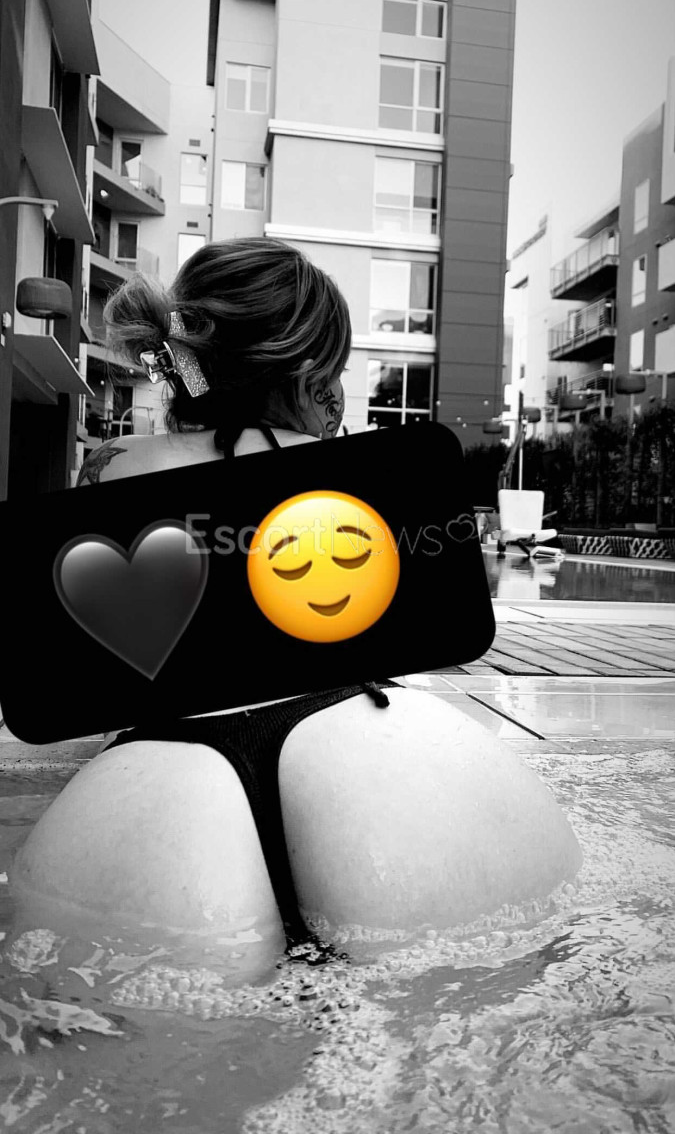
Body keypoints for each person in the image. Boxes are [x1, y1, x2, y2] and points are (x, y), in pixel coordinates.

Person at [12, 238, 582, 972]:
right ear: (315, 375)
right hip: (378, 754)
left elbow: (86, 670)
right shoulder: (366, 477)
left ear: (181, 355)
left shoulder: (114, 467)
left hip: (160, 785)